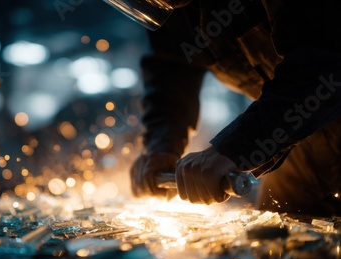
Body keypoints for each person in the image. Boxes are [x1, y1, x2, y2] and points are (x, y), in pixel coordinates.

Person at [106, 0, 341, 217]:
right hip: (297, 142)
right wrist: (162, 144)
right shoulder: (173, 6)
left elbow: (324, 62)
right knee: (282, 249)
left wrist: (233, 148)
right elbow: (172, 64)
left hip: (320, 120)